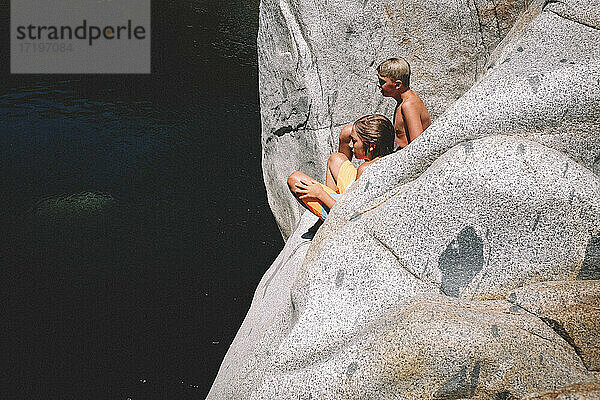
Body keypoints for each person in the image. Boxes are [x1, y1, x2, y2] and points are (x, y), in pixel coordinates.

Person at [287, 114, 394, 220]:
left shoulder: (365, 170)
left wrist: (320, 194)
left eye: (355, 141)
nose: (351, 145)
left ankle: (328, 219)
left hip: (343, 212)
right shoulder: (385, 161)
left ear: (371, 147)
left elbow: (350, 213)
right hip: (349, 197)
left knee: (294, 180)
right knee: (336, 158)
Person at [339, 57, 431, 159]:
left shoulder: (409, 105)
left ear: (397, 85)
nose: (378, 84)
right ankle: (343, 169)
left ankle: (342, 168)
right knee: (348, 132)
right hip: (393, 149)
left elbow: (418, 146)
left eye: (382, 82)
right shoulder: (403, 100)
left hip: (399, 156)